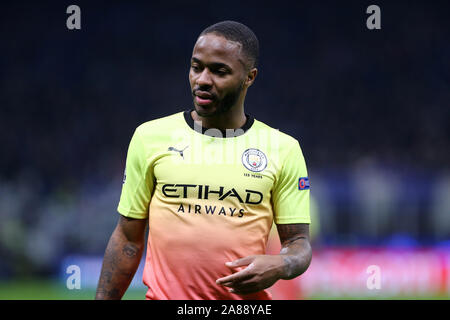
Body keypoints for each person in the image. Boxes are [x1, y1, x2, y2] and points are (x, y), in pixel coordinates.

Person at [95, 20, 312, 300]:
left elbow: (298, 244)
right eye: (197, 67)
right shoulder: (150, 137)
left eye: (219, 71)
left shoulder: (283, 149)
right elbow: (127, 238)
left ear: (250, 77)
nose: (203, 80)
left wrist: (282, 264)